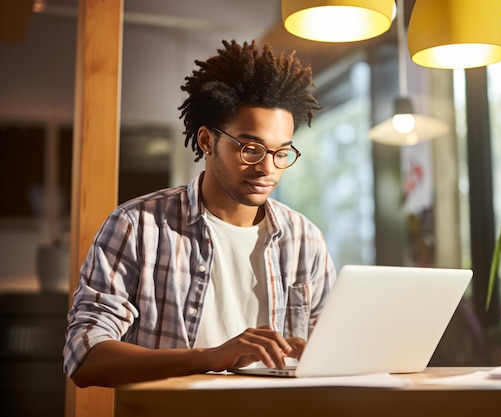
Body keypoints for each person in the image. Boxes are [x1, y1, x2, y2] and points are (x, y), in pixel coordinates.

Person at [63, 40, 337, 388]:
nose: (267, 167)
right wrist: (209, 358)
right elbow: (84, 357)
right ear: (207, 141)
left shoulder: (304, 239)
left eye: (281, 153)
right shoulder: (138, 225)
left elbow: (330, 351)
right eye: (250, 149)